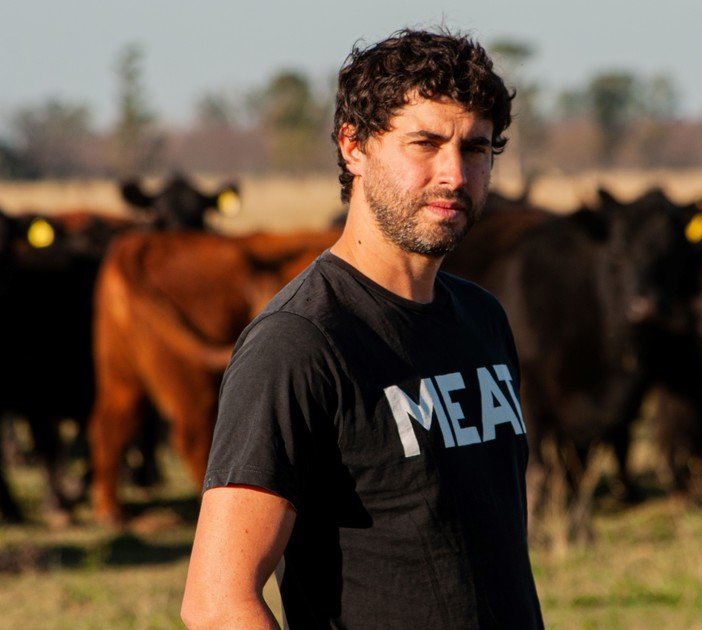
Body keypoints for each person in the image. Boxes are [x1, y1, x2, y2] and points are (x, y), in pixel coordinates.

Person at [182, 28, 544, 629]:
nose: (454, 174)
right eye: (424, 143)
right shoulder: (298, 342)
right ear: (354, 147)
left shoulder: (483, 319)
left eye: (476, 149)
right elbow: (217, 603)